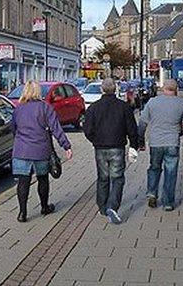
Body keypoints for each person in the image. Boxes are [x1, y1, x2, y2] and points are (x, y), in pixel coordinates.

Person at [12, 80, 73, 223]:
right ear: (38, 92)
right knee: (43, 179)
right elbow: (56, 128)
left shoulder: (18, 109)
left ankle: (22, 213)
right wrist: (66, 146)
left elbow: (13, 129)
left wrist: (21, 140)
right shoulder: (45, 108)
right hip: (40, 150)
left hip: (21, 151)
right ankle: (44, 207)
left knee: (23, 182)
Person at [83, 78, 141, 224]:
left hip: (100, 147)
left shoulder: (94, 108)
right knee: (117, 178)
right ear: (115, 89)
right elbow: (132, 128)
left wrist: (95, 140)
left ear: (102, 90)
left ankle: (102, 207)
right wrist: (134, 145)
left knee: (103, 177)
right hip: (117, 146)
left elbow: (87, 129)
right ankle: (112, 206)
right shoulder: (123, 107)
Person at [138, 79, 183, 211]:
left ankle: (152, 193)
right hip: (172, 142)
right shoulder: (182, 104)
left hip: (155, 142)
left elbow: (142, 123)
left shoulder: (152, 102)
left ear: (163, 89)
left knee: (154, 168)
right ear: (176, 90)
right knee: (171, 171)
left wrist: (140, 140)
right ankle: (168, 202)